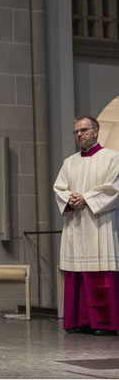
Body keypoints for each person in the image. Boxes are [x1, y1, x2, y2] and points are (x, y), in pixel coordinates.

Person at [53, 115, 119, 336]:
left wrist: (87, 198)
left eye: (84, 130)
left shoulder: (112, 158)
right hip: (76, 225)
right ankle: (79, 321)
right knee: (76, 273)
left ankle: (104, 323)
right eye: (76, 132)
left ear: (96, 131)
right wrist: (70, 199)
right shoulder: (69, 162)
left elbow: (113, 189)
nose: (79, 134)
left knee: (100, 274)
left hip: (100, 225)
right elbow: (59, 188)